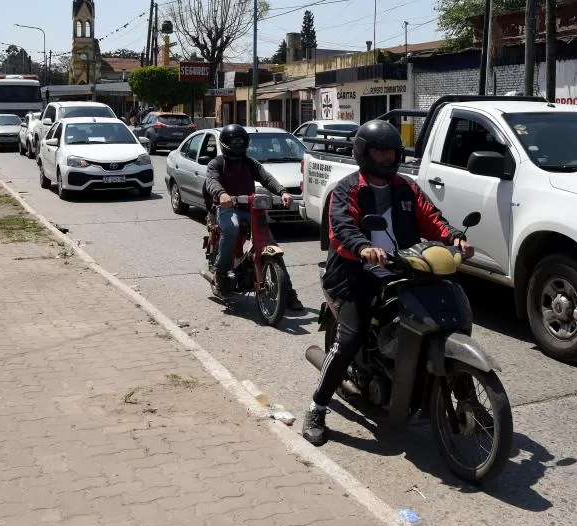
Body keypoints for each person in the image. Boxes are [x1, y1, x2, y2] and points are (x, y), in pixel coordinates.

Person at [301, 119, 474, 446]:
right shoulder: (347, 188)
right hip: (354, 273)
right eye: (379, 152)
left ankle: (457, 395)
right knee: (350, 339)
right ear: (364, 153)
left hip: (403, 267)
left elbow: (431, 217)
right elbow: (341, 228)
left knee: (446, 314)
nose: (386, 157)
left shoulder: (405, 186)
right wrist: (363, 248)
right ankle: (317, 406)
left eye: (391, 151)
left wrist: (455, 238)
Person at [203, 124, 304, 309]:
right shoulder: (216, 163)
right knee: (231, 228)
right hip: (226, 208)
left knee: (269, 241)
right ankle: (220, 271)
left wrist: (282, 192)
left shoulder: (249, 163)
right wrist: (222, 195)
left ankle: (288, 293)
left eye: (240, 141)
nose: (237, 144)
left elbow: (266, 178)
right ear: (225, 143)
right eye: (233, 141)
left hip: (250, 208)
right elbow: (211, 181)